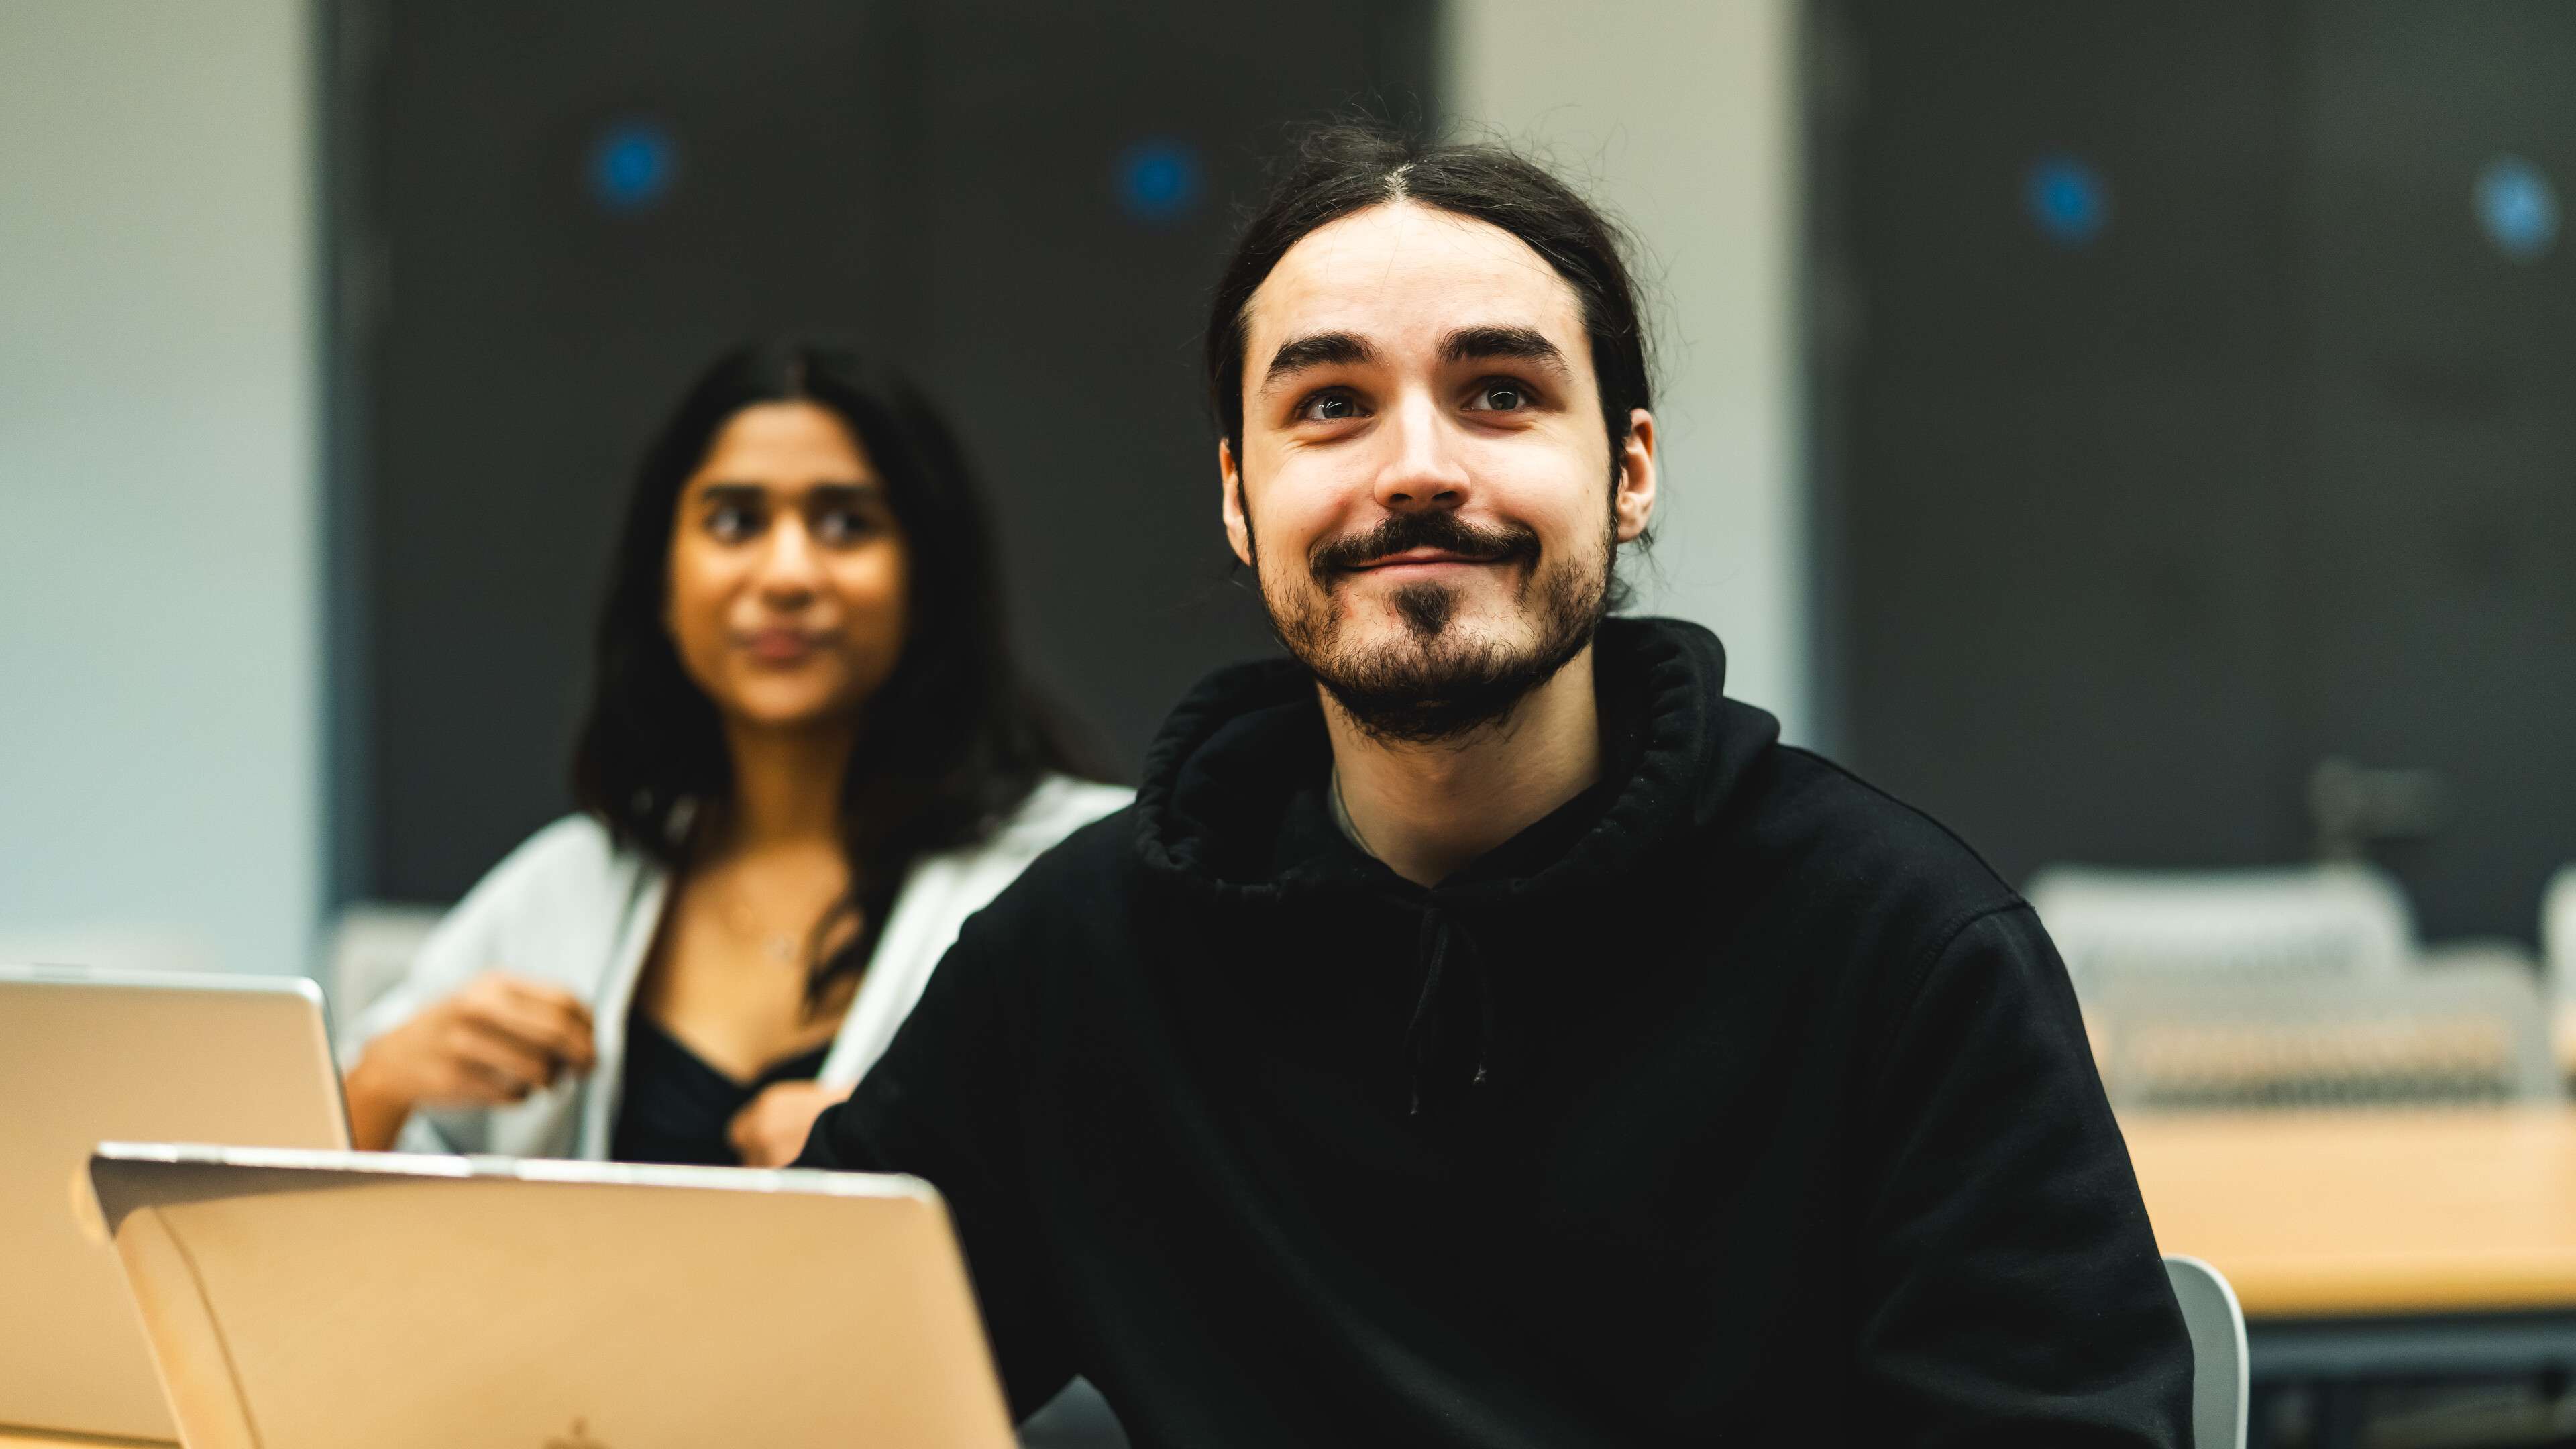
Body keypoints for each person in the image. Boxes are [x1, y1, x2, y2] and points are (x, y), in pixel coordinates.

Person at [800, 127, 2191, 1444]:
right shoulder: (1081, 961)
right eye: (1331, 405)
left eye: (1501, 394)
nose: (1416, 469)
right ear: (1238, 495)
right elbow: (771, 1384)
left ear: (1629, 470)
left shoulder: (1905, 953)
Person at [342, 339, 1126, 1166]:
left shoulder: (1075, 875)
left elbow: (1171, 1202)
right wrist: (380, 1085)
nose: (787, 572)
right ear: (665, 584)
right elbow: (305, 1226)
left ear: (925, 580)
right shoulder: (567, 888)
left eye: (846, 524)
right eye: (735, 521)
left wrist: (916, 1147)